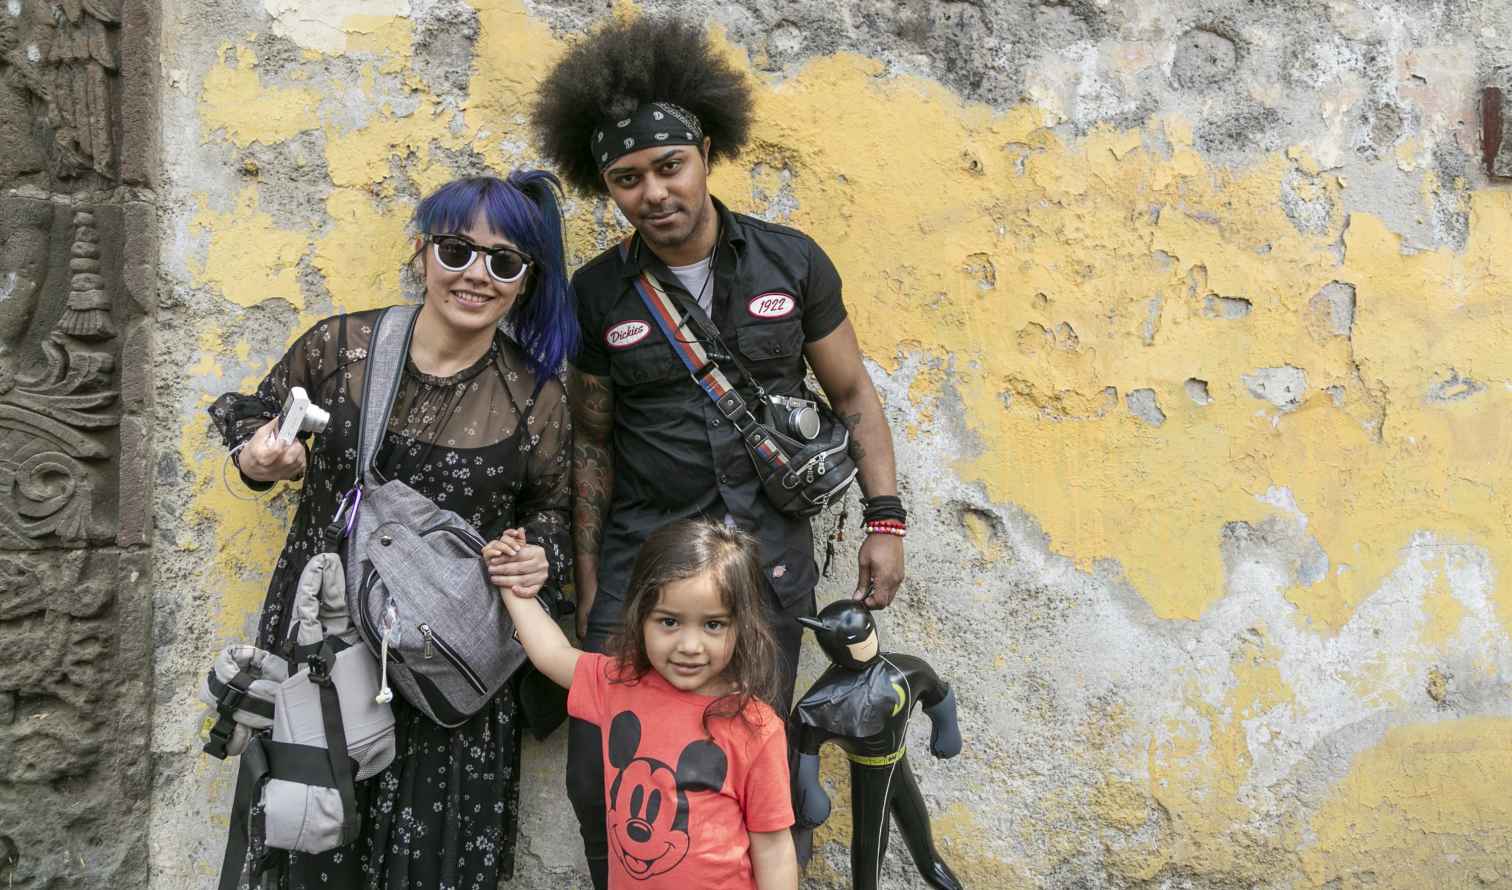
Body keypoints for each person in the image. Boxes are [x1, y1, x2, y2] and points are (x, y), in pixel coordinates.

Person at [532, 16, 909, 886]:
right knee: (604, 778)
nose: (654, 193)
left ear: (704, 151)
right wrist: (596, 590)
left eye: (669, 166)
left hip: (766, 570)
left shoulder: (791, 262)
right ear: (609, 188)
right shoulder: (598, 293)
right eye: (627, 180)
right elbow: (591, 445)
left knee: (760, 770)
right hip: (641, 567)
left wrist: (885, 521)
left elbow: (853, 397)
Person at [207, 172, 579, 889]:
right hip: (326, 638)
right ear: (421, 252)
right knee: (312, 835)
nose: (476, 275)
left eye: (504, 262)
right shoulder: (339, 347)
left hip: (444, 661)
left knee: (429, 859)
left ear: (525, 281)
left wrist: (535, 558)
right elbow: (252, 425)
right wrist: (261, 455)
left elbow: (552, 513)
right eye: (457, 251)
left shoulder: (534, 394)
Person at [494, 518, 799, 890]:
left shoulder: (756, 726)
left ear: (742, 627)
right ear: (641, 618)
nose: (689, 645)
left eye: (713, 625)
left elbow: (773, 847)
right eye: (669, 622)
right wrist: (512, 585)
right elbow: (551, 653)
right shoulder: (620, 685)